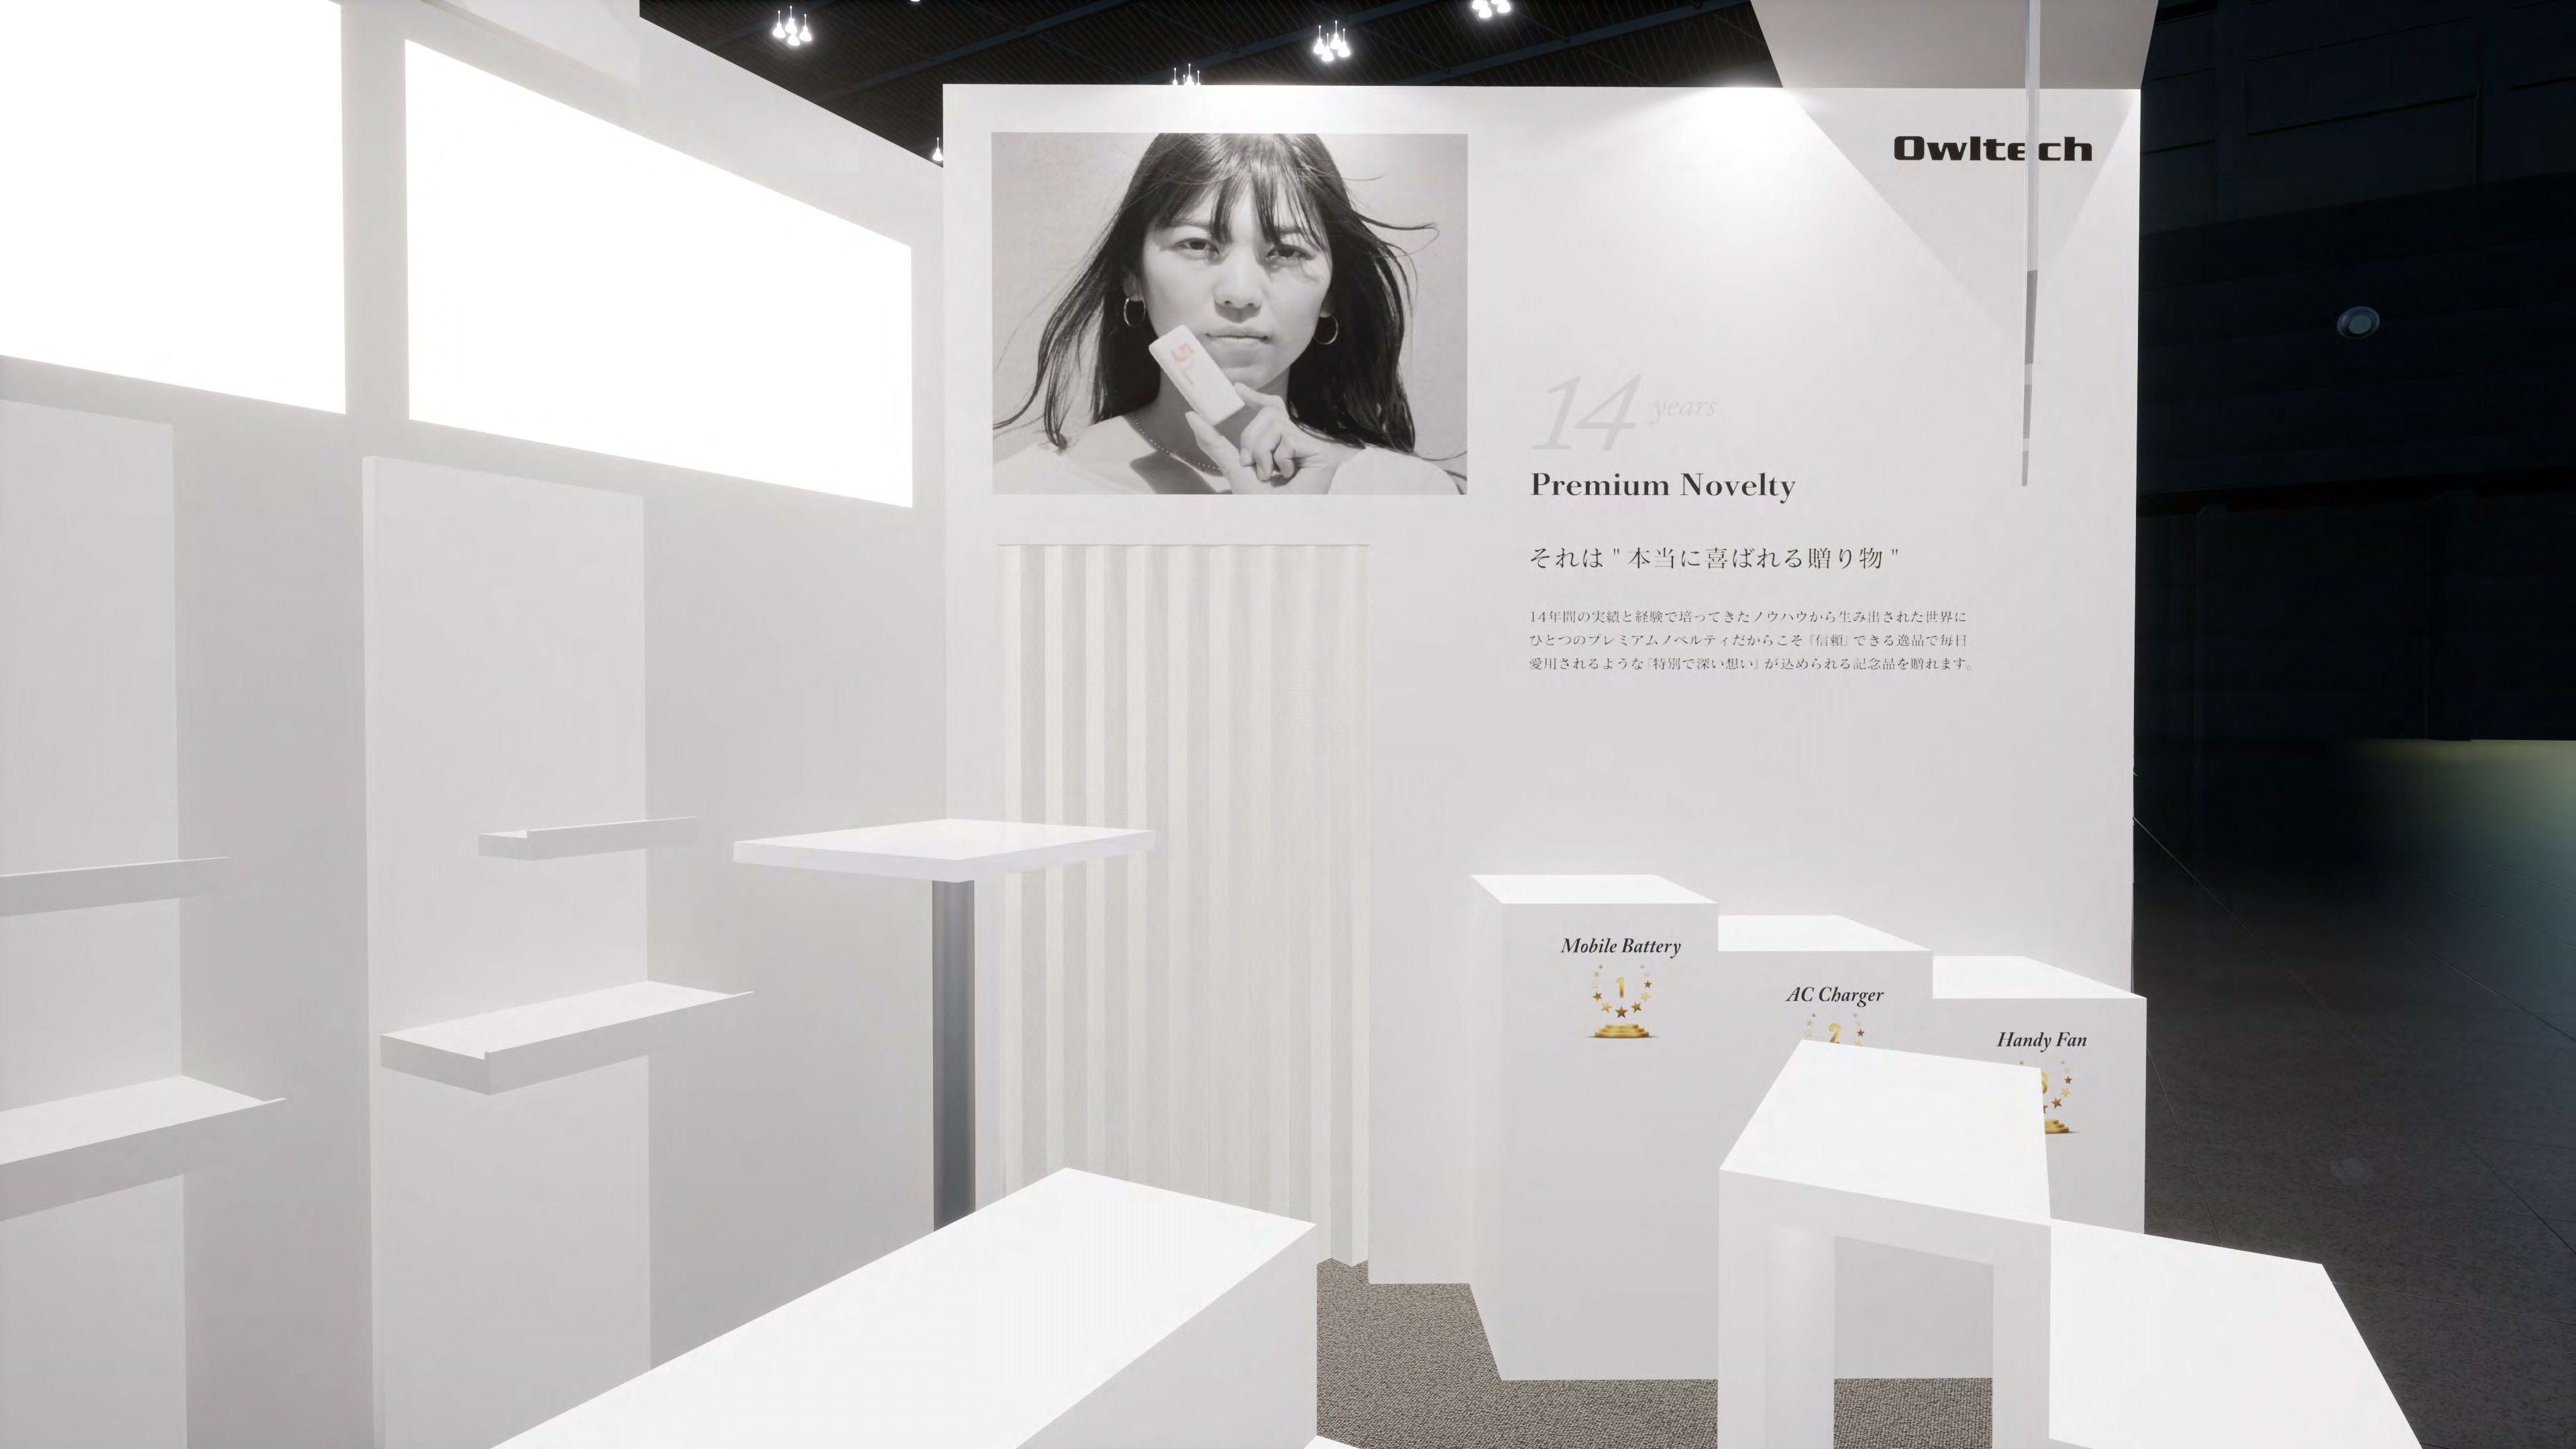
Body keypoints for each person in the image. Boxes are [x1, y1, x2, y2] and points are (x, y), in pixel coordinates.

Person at [996, 133, 1458, 495]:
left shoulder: (1409, 494)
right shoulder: (1022, 490)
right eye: (1198, 245)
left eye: (1286, 251)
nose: (1240, 294)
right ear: (1132, 277)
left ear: (1331, 295)